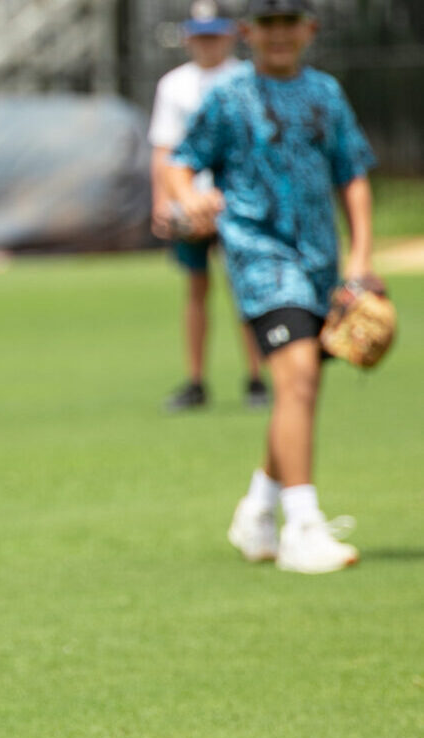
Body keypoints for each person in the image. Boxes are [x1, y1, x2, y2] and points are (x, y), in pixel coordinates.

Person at [164, 0, 379, 574]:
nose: (278, 35)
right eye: (267, 24)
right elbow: (182, 161)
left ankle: (259, 507)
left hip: (319, 263)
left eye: (290, 23)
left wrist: (359, 260)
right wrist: (190, 200)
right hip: (259, 258)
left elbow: (352, 174)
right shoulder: (230, 97)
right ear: (247, 33)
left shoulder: (326, 94)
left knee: (296, 390)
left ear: (309, 29)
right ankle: (302, 528)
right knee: (300, 377)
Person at [149, 0, 271, 413]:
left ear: (231, 34)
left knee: (246, 290)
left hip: (236, 202)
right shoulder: (174, 85)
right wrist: (163, 200)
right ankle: (196, 380)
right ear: (187, 38)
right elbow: (164, 150)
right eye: (200, 36)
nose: (207, 44)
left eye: (214, 35)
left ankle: (257, 377)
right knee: (195, 288)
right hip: (190, 203)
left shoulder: (246, 79)